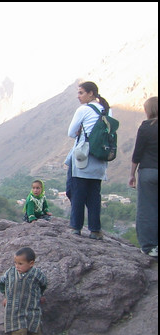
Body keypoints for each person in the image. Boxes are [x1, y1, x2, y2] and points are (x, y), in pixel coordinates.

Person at [65, 81, 112, 240]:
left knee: (76, 192)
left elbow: (71, 133)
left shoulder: (83, 110)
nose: (78, 96)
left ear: (91, 93)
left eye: (81, 93)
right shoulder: (107, 110)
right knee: (94, 195)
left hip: (82, 157)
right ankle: (95, 230)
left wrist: (80, 131)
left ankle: (76, 228)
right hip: (99, 158)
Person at [0, 247, 48, 335]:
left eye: (20, 263)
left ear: (31, 263)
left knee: (36, 333)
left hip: (32, 308)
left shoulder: (36, 274)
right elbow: (2, 283)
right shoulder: (10, 273)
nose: (17, 266)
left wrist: (40, 295)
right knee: (19, 332)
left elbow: (43, 284)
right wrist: (6, 296)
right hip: (16, 309)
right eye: (15, 263)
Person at [128, 96, 158, 258]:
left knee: (147, 209)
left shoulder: (146, 127)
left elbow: (137, 153)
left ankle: (149, 246)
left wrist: (132, 174)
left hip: (148, 172)